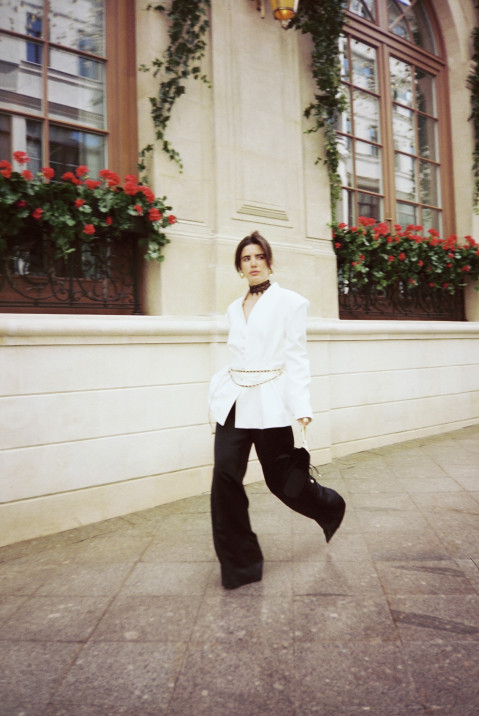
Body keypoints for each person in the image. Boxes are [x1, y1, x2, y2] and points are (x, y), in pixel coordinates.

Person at [208, 230, 345, 589]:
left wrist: (301, 406)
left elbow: (297, 357)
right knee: (224, 476)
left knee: (281, 481)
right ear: (239, 267)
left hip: (270, 400)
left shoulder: (290, 302)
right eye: (246, 258)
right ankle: (241, 565)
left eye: (258, 256)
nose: (253, 263)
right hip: (235, 401)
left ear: (269, 262)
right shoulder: (233, 308)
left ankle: (329, 505)